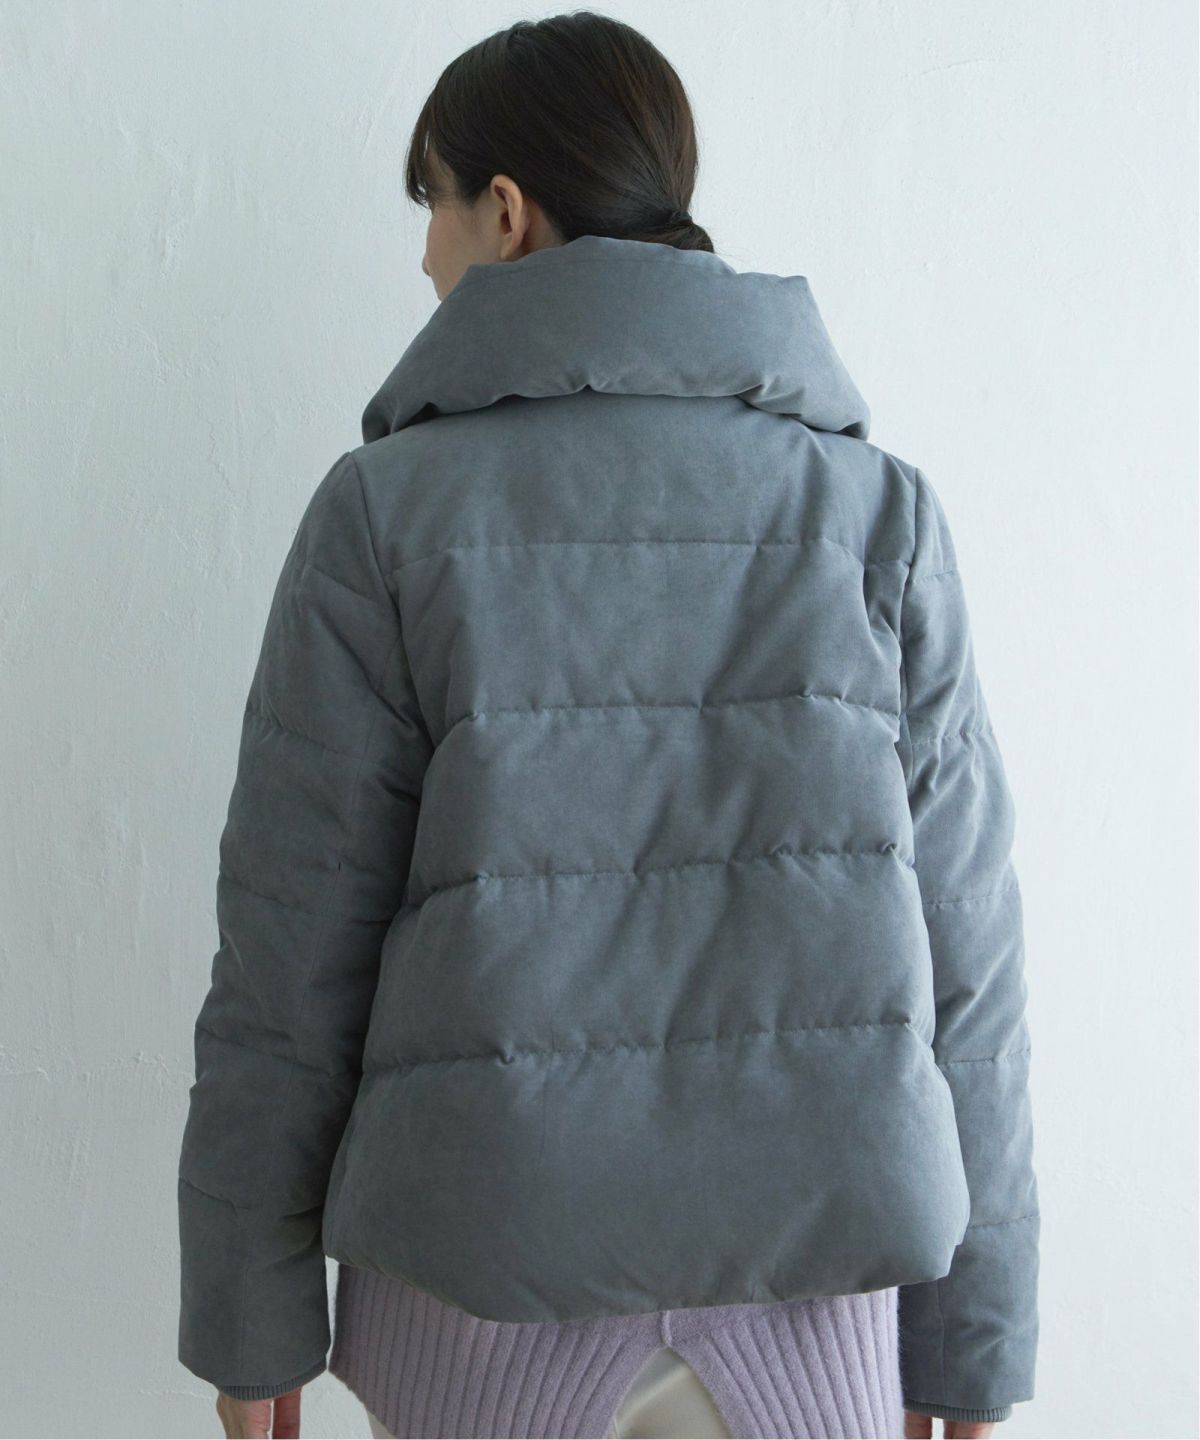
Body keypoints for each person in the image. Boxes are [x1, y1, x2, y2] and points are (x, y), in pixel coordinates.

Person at [177, 11, 1040, 1440]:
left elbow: (289, 950)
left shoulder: (387, 517)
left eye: (434, 207)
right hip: (818, 1313)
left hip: (478, 1308)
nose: (425, 258)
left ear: (507, 213)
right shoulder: (875, 516)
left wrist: (247, 1315)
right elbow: (972, 959)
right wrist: (973, 1343)